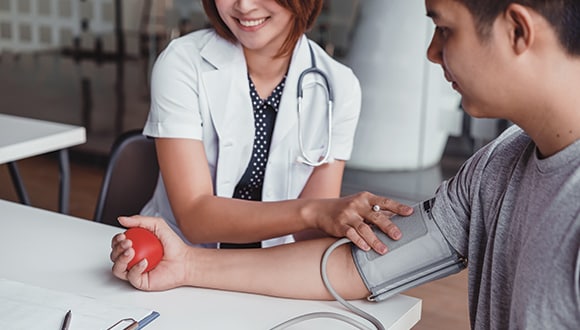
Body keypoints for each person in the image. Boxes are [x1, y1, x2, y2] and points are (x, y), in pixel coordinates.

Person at [111, 0, 580, 328]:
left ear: (518, 30)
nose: (432, 53)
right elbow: (356, 267)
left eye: (444, 29)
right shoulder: (493, 171)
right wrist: (189, 265)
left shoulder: (337, 85)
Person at [138, 0, 412, 252]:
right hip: (174, 254)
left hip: (270, 265)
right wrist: (314, 212)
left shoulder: (339, 85)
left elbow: (312, 232)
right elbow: (195, 217)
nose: (244, 6)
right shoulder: (182, 62)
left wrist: (356, 225)